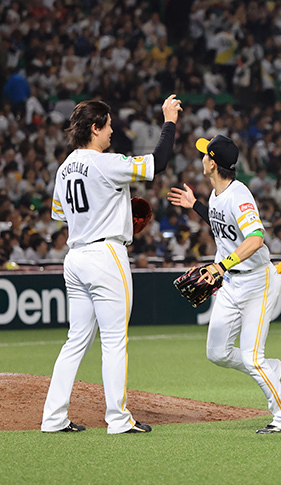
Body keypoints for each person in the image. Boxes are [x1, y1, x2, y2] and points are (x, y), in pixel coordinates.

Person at [41, 95, 181, 434]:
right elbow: (158, 162)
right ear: (95, 128)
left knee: (76, 340)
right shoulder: (106, 162)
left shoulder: (64, 168)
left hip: (75, 257)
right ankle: (118, 419)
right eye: (107, 126)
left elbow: (61, 214)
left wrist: (108, 207)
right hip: (105, 255)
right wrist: (169, 121)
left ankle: (53, 418)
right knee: (115, 340)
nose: (112, 131)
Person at [167, 135, 281, 433]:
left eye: (205, 154)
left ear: (213, 164)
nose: (202, 158)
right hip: (230, 283)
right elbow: (221, 223)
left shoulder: (239, 195)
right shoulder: (217, 194)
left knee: (252, 357)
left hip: (257, 282)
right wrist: (195, 205)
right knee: (217, 352)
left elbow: (256, 239)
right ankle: (270, 369)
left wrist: (221, 265)